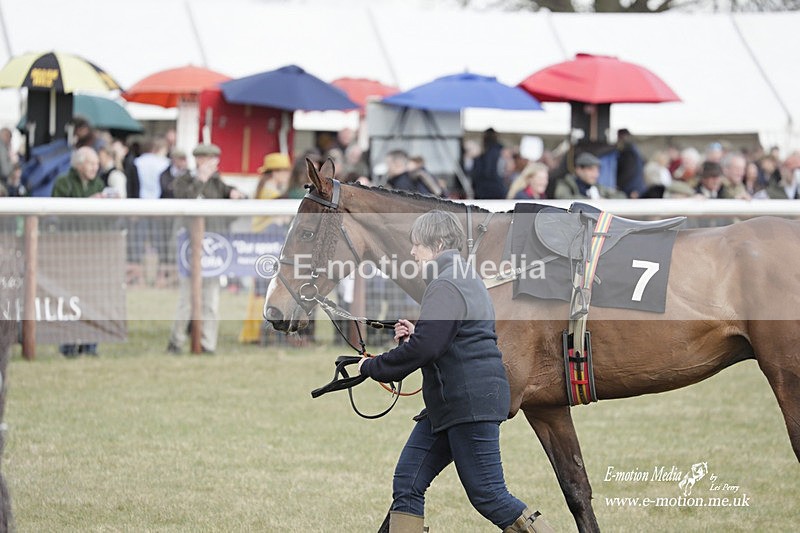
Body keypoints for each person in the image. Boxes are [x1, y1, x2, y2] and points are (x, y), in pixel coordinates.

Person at [358, 211, 554, 533]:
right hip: (451, 404)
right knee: (408, 482)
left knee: (489, 495)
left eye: (417, 245)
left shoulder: (445, 282)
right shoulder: (461, 276)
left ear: (436, 244)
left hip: (468, 402)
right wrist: (419, 331)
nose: (412, 252)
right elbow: (445, 336)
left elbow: (428, 349)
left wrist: (372, 367)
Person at [167, 143, 245, 355]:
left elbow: (232, 212)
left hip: (213, 248)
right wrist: (200, 180)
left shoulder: (219, 184)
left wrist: (236, 197)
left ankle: (207, 343)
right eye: (208, 160)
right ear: (199, 159)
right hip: (189, 247)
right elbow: (185, 202)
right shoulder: (184, 180)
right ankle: (176, 341)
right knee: (185, 298)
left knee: (211, 298)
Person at [51, 147, 106, 357]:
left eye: (96, 164)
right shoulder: (63, 183)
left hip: (93, 247)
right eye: (91, 163)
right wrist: (87, 205)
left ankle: (90, 345)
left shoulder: (99, 184)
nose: (95, 167)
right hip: (69, 248)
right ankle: (68, 344)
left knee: (92, 297)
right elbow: (57, 216)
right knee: (69, 297)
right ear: (79, 164)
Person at [240, 152, 292, 345]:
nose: (287, 175)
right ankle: (263, 334)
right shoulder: (272, 193)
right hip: (268, 245)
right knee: (267, 291)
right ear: (275, 172)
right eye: (284, 171)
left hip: (261, 244)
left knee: (260, 291)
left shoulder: (265, 189)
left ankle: (255, 333)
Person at [554, 152, 625, 200]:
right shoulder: (565, 184)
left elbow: (621, 196)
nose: (596, 174)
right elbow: (563, 197)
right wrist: (592, 200)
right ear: (579, 170)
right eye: (591, 170)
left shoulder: (597, 187)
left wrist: (605, 200)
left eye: (597, 171)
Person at [470, 128, 509, 199]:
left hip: (482, 192)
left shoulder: (480, 157)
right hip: (499, 191)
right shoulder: (501, 153)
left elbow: (475, 177)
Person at [614, 128, 645, 198]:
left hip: (631, 189)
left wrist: (618, 184)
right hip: (635, 187)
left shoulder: (628, 152)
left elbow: (629, 171)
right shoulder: (634, 150)